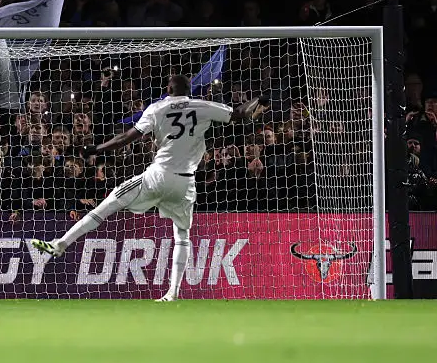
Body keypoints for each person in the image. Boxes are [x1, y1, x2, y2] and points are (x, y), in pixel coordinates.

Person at [31, 75, 269, 302]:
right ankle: (173, 293)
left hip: (158, 176)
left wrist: (95, 149)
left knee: (108, 204)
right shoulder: (203, 106)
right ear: (189, 90)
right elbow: (240, 113)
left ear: (168, 90)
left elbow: (126, 137)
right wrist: (259, 99)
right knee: (182, 236)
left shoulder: (158, 108)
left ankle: (61, 244)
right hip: (185, 182)